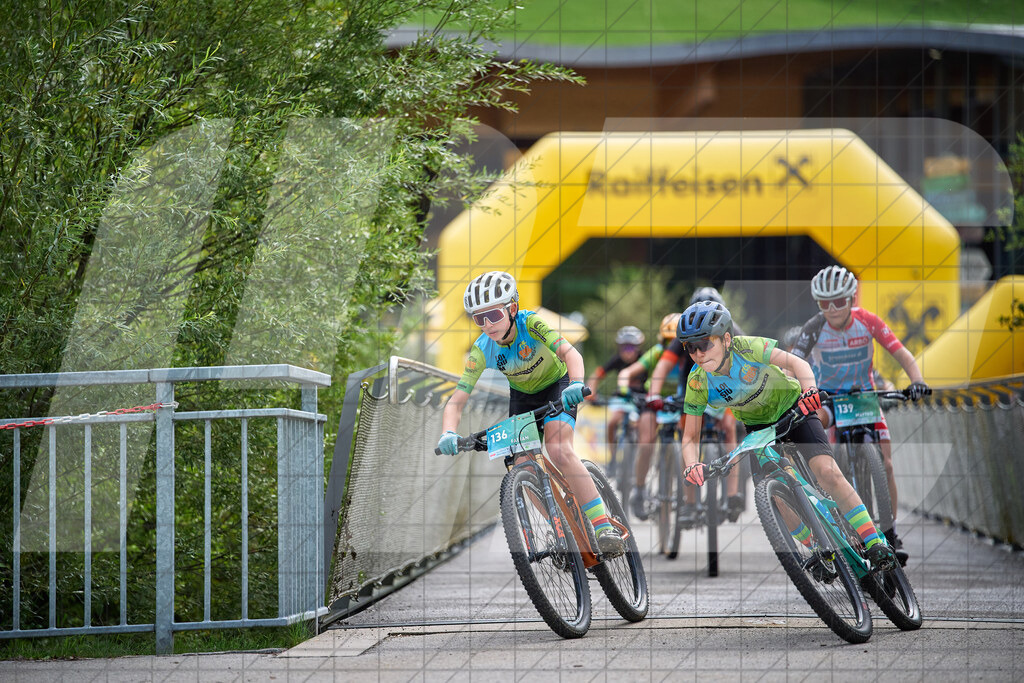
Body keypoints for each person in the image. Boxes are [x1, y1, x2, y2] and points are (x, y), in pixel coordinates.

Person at [676, 300, 899, 571]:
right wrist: (692, 465)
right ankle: (818, 547)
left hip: (794, 409)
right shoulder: (698, 382)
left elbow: (798, 363)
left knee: (826, 472)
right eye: (690, 347)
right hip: (758, 430)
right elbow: (690, 438)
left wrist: (810, 393)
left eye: (704, 344)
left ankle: (874, 540)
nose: (698, 353)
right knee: (776, 497)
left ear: (726, 339)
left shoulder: (748, 347)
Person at [437, 270, 624, 555]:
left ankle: (603, 526)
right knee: (521, 464)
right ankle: (559, 525)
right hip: (522, 397)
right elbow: (457, 400)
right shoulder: (481, 349)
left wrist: (575, 384)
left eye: (494, 315)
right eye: (479, 318)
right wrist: (447, 432)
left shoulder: (531, 323)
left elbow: (572, 354)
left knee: (558, 448)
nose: (487, 325)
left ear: (512, 308)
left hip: (558, 385)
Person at [791, 265, 929, 560]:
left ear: (851, 298)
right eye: (824, 303)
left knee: (887, 464)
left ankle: (891, 534)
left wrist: (917, 382)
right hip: (828, 398)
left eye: (838, 301)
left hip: (864, 397)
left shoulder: (868, 321)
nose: (832, 309)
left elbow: (901, 353)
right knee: (810, 424)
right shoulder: (814, 327)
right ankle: (822, 485)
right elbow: (793, 362)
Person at [647, 287, 745, 528]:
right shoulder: (685, 330)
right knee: (687, 435)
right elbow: (661, 369)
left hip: (726, 386)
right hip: (693, 387)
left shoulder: (735, 332)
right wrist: (654, 394)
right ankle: (690, 503)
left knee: (730, 428)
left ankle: (732, 495)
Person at [616, 313, 681, 521]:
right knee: (645, 444)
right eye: (668, 341)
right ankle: (640, 490)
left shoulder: (691, 354)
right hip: (651, 402)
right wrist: (624, 388)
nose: (673, 345)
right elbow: (627, 372)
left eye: (677, 341)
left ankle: (690, 497)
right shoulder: (657, 352)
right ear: (662, 340)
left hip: (679, 402)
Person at [585, 325, 645, 479]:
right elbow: (597, 375)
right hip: (622, 400)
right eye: (623, 347)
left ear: (638, 348)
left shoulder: (645, 360)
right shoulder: (617, 360)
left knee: (643, 430)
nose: (627, 351)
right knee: (612, 423)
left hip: (641, 402)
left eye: (631, 347)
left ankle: (640, 460)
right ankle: (612, 459)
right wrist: (591, 391)